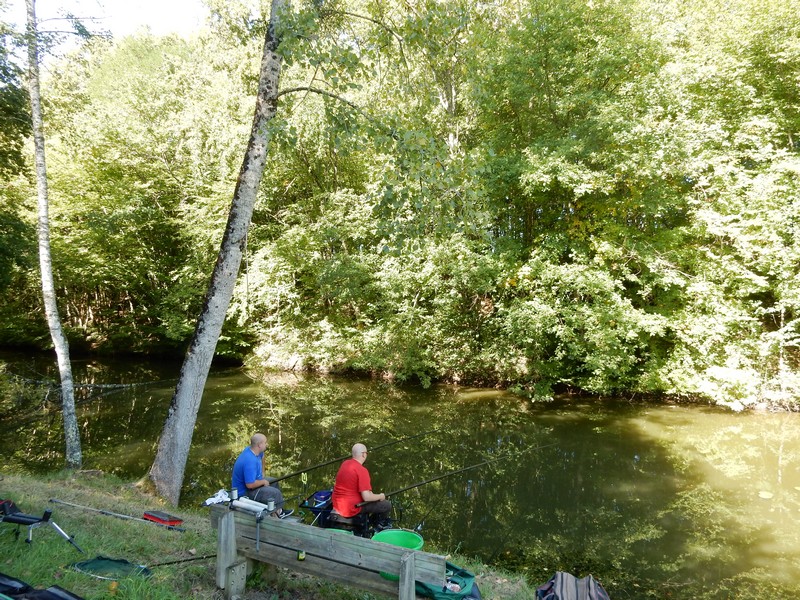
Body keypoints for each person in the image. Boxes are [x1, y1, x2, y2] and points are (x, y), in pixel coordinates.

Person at [231, 432, 293, 518]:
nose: (267, 444)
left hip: (254, 483)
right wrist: (263, 481)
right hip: (244, 493)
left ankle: (278, 510)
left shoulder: (253, 450)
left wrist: (262, 473)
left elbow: (262, 456)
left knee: (274, 482)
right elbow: (250, 485)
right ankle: (278, 514)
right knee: (275, 493)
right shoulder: (250, 461)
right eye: (265, 442)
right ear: (259, 445)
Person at [331, 443, 392, 530]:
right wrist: (381, 496)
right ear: (363, 454)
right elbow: (366, 497)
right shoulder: (362, 470)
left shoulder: (345, 464)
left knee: (373, 497)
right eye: (366, 453)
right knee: (386, 505)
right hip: (351, 509)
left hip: (338, 505)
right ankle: (377, 525)